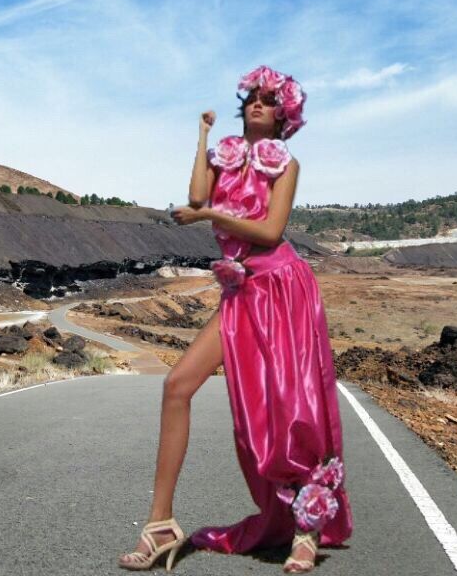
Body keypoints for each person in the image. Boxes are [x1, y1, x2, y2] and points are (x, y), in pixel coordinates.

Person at [117, 65, 352, 573]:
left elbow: (269, 232)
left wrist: (208, 220)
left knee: (293, 408)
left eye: (269, 100)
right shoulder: (222, 153)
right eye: (251, 97)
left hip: (283, 287)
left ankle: (307, 530)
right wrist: (201, 137)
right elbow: (197, 196)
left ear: (284, 113)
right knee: (178, 384)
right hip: (242, 293)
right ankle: (160, 524)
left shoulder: (287, 164)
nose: (257, 104)